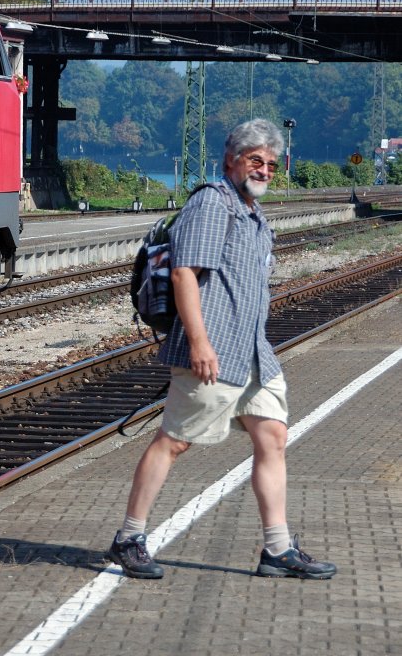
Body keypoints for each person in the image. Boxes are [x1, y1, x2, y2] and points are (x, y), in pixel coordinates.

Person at [108, 118, 337, 581]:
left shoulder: (253, 213)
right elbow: (184, 274)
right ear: (231, 160)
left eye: (270, 163)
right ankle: (128, 538)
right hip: (213, 350)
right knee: (174, 441)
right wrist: (199, 342)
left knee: (273, 437)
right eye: (255, 160)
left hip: (253, 352)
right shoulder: (213, 204)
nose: (264, 169)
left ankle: (277, 549)